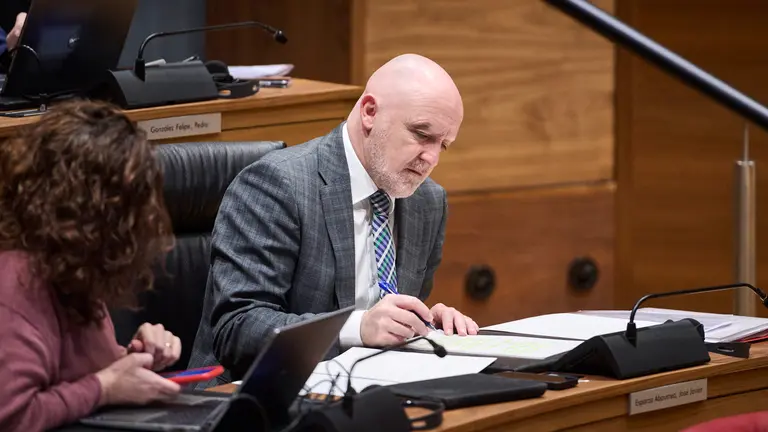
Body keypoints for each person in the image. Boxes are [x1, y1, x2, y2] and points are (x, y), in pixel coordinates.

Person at [188, 53, 479, 387]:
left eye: (444, 145)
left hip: (366, 390)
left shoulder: (428, 201)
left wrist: (426, 325)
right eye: (421, 134)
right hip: (257, 397)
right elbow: (238, 329)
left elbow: (392, 321)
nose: (432, 158)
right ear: (370, 112)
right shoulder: (277, 185)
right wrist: (357, 328)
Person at [0, 99, 183, 431]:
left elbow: (73, 372)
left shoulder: (74, 264)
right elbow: (12, 416)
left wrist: (132, 358)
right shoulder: (13, 286)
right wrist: (106, 386)